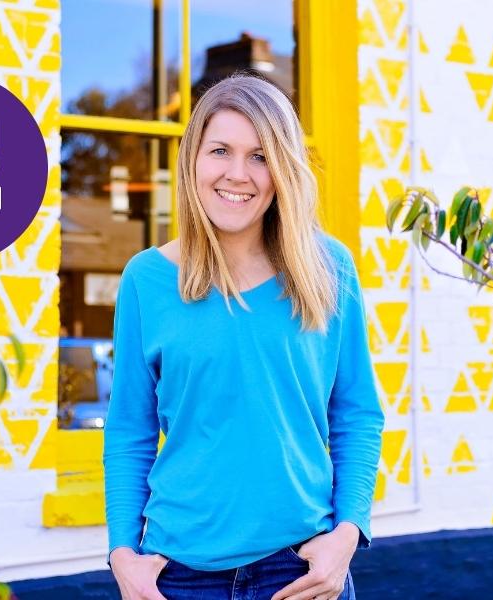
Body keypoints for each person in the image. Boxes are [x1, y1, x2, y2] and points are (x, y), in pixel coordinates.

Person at [103, 73, 384, 600]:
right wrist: (123, 554)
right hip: (178, 576)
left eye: (260, 155)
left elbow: (357, 412)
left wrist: (348, 533)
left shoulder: (330, 268)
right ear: (193, 161)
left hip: (302, 569)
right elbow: (128, 429)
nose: (238, 174)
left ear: (283, 169)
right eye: (220, 151)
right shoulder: (147, 280)